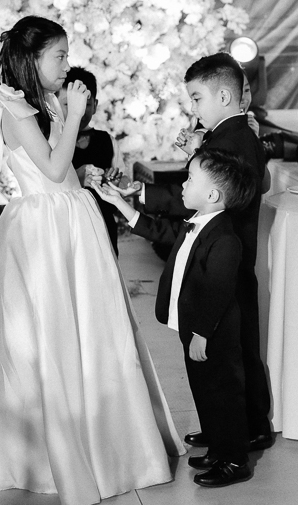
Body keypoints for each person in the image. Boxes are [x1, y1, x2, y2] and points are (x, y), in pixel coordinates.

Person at [0, 16, 184, 505]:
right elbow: (50, 167)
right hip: (41, 230)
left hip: (67, 219)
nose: (67, 66)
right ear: (31, 59)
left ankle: (105, 437)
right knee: (44, 330)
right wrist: (74, 113)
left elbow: (59, 171)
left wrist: (82, 174)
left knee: (87, 327)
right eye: (59, 56)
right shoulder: (14, 108)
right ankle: (46, 449)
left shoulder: (42, 102)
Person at [116, 52, 274, 452]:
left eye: (197, 98)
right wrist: (197, 155)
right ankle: (227, 427)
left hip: (227, 261)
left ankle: (247, 427)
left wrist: (148, 192)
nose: (193, 108)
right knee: (223, 357)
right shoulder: (232, 135)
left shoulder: (235, 139)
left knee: (233, 357)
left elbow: (220, 193)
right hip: (220, 255)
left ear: (224, 96)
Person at [93, 147, 259, 487]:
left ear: (212, 195)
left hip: (212, 333)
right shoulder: (197, 222)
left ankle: (234, 459)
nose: (183, 185)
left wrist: (202, 333)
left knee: (223, 394)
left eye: (190, 179)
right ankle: (217, 445)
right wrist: (119, 203)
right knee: (203, 389)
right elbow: (158, 230)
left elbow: (218, 291)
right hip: (194, 328)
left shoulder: (225, 240)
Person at [56, 66, 121, 254]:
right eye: (68, 104)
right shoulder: (53, 142)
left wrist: (115, 181)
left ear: (95, 104)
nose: (80, 111)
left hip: (102, 223)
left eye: (87, 104)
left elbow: (122, 180)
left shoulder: (107, 141)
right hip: (66, 225)